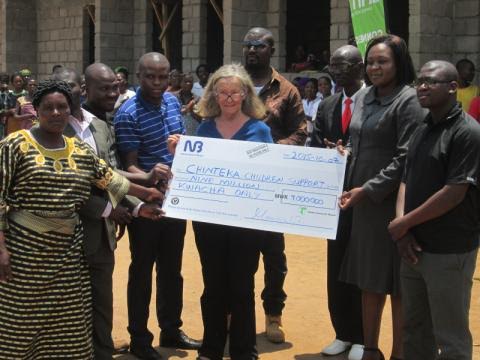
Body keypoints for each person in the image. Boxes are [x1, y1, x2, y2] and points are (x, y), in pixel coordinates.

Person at [0, 79, 164, 359]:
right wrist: (1, 249)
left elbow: (109, 178)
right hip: (24, 257)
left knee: (70, 329)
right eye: (48, 107)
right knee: (20, 326)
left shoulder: (78, 150)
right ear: (36, 110)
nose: (55, 113)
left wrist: (147, 195)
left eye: (61, 107)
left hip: (67, 258)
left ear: (69, 110)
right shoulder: (15, 145)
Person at [54, 66, 168, 360]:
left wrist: (138, 206)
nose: (112, 94)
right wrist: (110, 207)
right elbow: (68, 186)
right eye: (104, 89)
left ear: (81, 87)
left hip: (101, 235)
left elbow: (111, 177)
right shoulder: (52, 130)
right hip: (66, 235)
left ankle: (102, 352)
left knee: (102, 302)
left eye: (72, 87)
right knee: (68, 306)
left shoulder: (100, 126)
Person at [169, 63, 273, 360]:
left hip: (246, 225)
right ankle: (212, 348)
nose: (228, 98)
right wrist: (180, 154)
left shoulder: (260, 130)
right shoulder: (204, 128)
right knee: (213, 284)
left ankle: (244, 351)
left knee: (242, 286)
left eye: (234, 92)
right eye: (222, 92)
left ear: (245, 94)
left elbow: (273, 172)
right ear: (213, 94)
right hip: (209, 223)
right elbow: (193, 172)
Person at [338, 34, 426, 360]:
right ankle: (370, 350)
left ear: (399, 63)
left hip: (396, 206)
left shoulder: (410, 100)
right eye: (370, 62)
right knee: (369, 281)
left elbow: (406, 158)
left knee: (399, 285)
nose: (374, 67)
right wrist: (343, 155)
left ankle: (399, 353)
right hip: (364, 207)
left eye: (382, 61)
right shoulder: (364, 98)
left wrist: (368, 190)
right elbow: (359, 142)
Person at [388, 60, 480, 360]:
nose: (423, 87)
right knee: (414, 329)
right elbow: (406, 178)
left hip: (448, 250)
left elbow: (454, 193)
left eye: (432, 81)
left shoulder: (467, 133)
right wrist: (402, 226)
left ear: (453, 87)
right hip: (413, 247)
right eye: (420, 82)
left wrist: (404, 224)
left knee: (450, 337)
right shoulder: (422, 127)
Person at [114, 52, 200, 360]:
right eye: (150, 76)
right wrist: (151, 180)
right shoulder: (128, 113)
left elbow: (185, 148)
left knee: (172, 270)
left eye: (163, 76)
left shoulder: (173, 103)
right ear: (139, 76)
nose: (157, 82)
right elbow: (128, 167)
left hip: (176, 202)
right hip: (147, 206)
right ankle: (139, 339)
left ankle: (171, 330)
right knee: (142, 271)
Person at [242, 26, 307, 343]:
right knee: (236, 255)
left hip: (271, 189)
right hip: (236, 187)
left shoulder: (288, 90)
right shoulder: (230, 85)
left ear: (271, 50)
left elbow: (301, 131)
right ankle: (234, 312)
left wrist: (269, 151)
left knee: (273, 257)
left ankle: (273, 315)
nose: (252, 50)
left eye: (259, 45)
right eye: (248, 45)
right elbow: (209, 122)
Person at [310, 45, 364, 360]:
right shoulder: (328, 105)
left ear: (359, 67)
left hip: (363, 198)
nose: (335, 70)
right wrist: (326, 151)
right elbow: (316, 143)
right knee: (336, 267)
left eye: (342, 64)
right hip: (332, 203)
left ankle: (362, 337)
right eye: (332, 64)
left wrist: (352, 153)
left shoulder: (374, 102)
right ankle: (342, 333)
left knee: (360, 270)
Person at [302, 78, 322, 144]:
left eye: (312, 87)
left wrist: (302, 117)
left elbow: (315, 120)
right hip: (301, 135)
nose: (309, 90)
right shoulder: (302, 102)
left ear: (316, 90)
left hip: (313, 136)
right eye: (307, 87)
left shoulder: (320, 102)